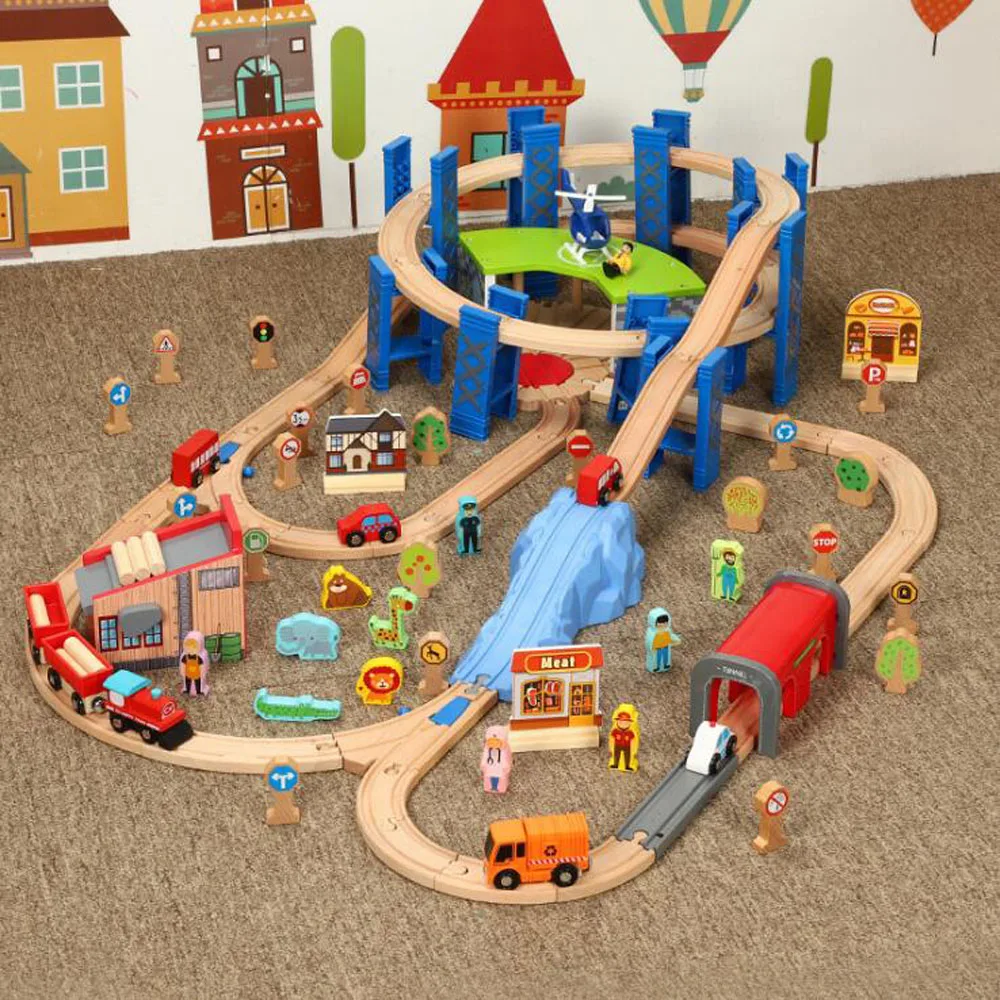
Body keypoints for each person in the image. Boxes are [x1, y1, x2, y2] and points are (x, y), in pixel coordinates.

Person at [645, 608, 681, 673]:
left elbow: (671, 635)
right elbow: (649, 641)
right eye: (660, 623)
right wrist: (651, 648)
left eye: (665, 623)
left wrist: (676, 640)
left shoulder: (667, 630)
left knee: (665, 657)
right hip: (657, 648)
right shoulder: (652, 632)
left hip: (666, 647)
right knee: (657, 658)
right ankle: (657, 667)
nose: (663, 624)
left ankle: (665, 665)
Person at [608, 703, 640, 772]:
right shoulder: (615, 730)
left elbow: (634, 741)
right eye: (621, 721)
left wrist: (634, 750)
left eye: (625, 721)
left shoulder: (631, 731)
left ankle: (628, 765)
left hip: (627, 746)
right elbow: (612, 739)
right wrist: (611, 747)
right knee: (616, 755)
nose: (623, 723)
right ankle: (615, 764)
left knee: (628, 756)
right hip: (617, 745)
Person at [480, 726, 512, 793]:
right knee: (490, 777)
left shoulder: (504, 749)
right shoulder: (487, 749)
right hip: (490, 768)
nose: (494, 743)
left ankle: (499, 787)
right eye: (491, 741)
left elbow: (506, 758)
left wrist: (506, 766)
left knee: (500, 778)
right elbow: (485, 756)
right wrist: (483, 764)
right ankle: (491, 787)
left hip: (500, 769)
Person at [179, 630, 209, 696]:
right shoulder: (185, 656)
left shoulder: (200, 657)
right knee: (188, 683)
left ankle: (199, 690)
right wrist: (182, 672)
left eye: (194, 647)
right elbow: (183, 665)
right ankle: (187, 689)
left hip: (197, 675)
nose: (191, 649)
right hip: (188, 674)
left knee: (198, 684)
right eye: (189, 646)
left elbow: (202, 667)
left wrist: (203, 674)